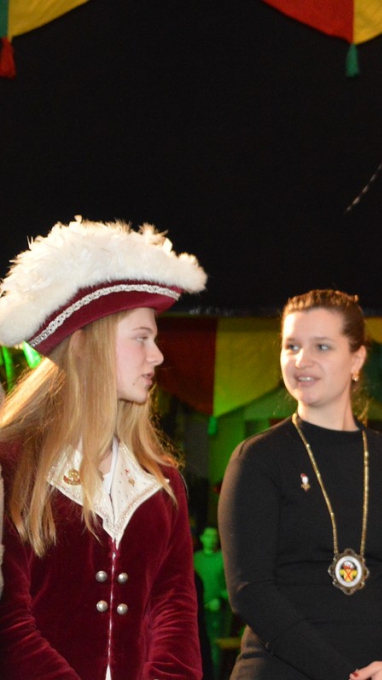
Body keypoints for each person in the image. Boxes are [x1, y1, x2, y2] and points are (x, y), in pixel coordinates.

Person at [0, 217, 207, 679]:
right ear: (85, 345)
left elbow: (175, 612)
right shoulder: (11, 465)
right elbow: (8, 623)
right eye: (141, 338)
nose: (156, 355)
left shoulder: (161, 483)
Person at [218, 289, 382, 680]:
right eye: (291, 346)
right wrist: (344, 675)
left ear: (357, 359)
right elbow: (250, 591)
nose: (301, 360)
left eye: (321, 346)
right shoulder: (257, 459)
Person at [195, 525, 230, 676]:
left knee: (214, 650)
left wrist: (220, 600)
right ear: (202, 538)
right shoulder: (195, 559)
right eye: (208, 536)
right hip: (196, 612)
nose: (212, 539)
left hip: (216, 611)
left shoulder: (224, 559)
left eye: (215, 536)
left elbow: (230, 586)